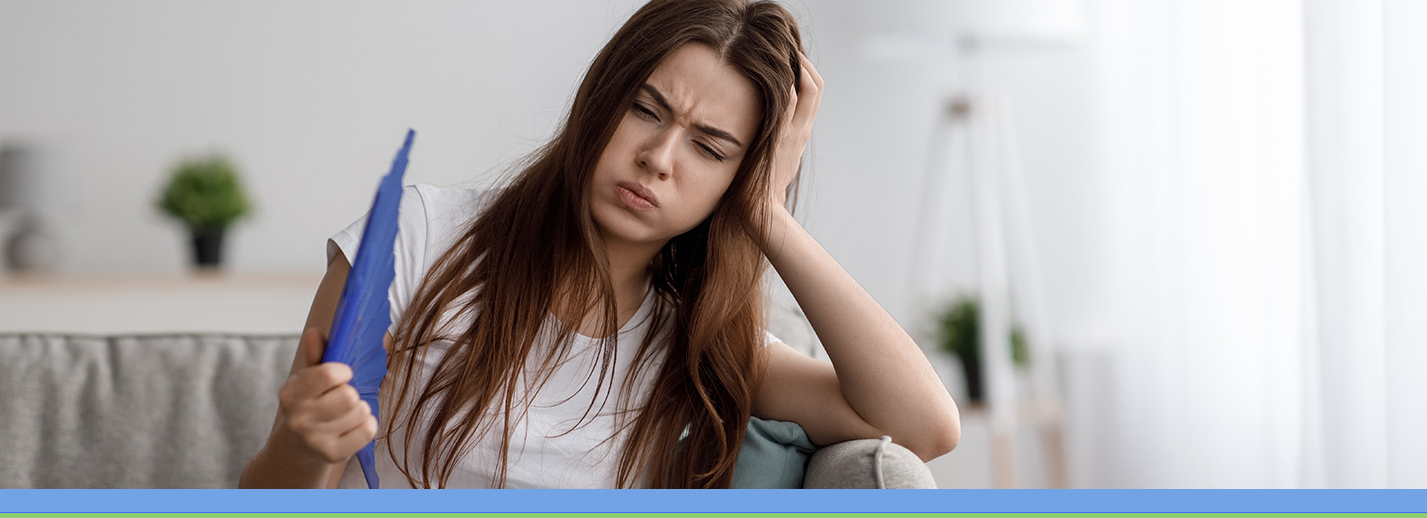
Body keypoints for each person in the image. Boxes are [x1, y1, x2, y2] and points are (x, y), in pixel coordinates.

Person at [240, 0, 959, 489]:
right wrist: (302, 446)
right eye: (646, 109)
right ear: (600, 96)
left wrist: (766, 212)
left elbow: (925, 424)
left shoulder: (699, 342)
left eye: (710, 148)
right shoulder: (412, 238)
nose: (659, 157)